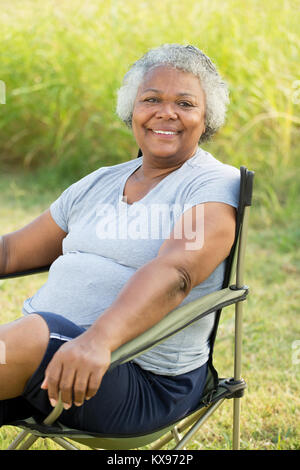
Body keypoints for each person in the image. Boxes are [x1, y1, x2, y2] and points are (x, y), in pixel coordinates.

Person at [0, 44, 239, 435]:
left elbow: (177, 271)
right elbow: (11, 250)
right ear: (132, 110)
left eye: (185, 103)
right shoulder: (99, 182)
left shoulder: (211, 184)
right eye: (151, 99)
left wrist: (97, 341)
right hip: (42, 365)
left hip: (134, 378)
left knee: (30, 334)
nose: (166, 112)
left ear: (206, 117)